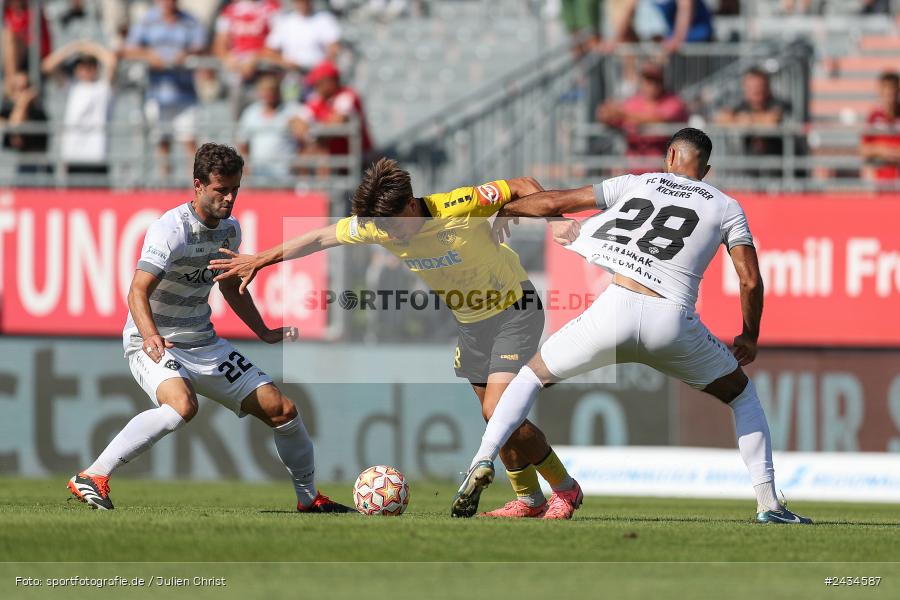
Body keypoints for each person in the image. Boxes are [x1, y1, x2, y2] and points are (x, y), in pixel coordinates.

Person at [452, 128, 813, 525]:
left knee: (529, 378)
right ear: (706, 169)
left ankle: (482, 458)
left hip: (614, 311)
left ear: (670, 155)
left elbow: (556, 201)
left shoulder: (636, 183)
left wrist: (505, 211)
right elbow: (750, 280)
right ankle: (769, 506)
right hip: (672, 321)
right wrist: (750, 334)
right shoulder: (727, 206)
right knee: (742, 396)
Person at [210, 159, 584, 519]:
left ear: (410, 204)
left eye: (392, 226)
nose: (387, 235)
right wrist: (261, 258)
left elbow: (523, 186)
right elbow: (321, 236)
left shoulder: (457, 204)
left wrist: (552, 219)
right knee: (499, 418)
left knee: (498, 411)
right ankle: (529, 499)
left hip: (515, 309)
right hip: (471, 323)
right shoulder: (379, 224)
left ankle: (565, 488)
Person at [67, 143, 351, 514]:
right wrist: (150, 335)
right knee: (182, 406)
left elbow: (230, 286)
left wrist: (262, 329)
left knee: (283, 409)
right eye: (221, 189)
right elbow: (137, 290)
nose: (230, 198)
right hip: (155, 341)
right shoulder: (170, 230)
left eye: (235, 189)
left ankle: (308, 498)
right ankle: (94, 475)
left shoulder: (230, 231)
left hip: (204, 343)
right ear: (198, 186)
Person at [122, 0, 207, 179]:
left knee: (190, 142)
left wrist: (186, 54)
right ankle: (165, 182)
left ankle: (194, 187)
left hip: (185, 94)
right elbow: (129, 49)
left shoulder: (190, 21)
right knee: (162, 143)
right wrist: (149, 56)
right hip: (157, 93)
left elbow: (202, 47)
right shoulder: (148, 20)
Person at [41, 40, 117, 178]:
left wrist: (91, 48)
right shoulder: (71, 88)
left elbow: (111, 61)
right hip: (73, 156)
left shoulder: (103, 89)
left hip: (97, 156)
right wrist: (74, 48)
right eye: (82, 65)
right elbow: (48, 65)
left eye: (91, 65)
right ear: (76, 69)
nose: (86, 69)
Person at [597, 62, 688, 170]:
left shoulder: (673, 101)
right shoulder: (633, 101)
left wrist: (624, 115)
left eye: (656, 80)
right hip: (634, 172)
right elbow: (606, 116)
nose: (651, 85)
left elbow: (660, 119)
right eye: (648, 80)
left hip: (663, 173)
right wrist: (607, 112)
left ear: (662, 81)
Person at [296, 61, 373, 165]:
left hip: (359, 161)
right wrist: (310, 140)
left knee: (320, 153)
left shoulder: (347, 95)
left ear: (331, 81)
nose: (315, 87)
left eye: (318, 83)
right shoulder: (319, 99)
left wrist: (314, 137)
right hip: (335, 160)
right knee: (307, 155)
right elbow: (297, 122)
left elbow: (337, 121)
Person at [213, 0, 281, 113]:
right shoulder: (230, 9)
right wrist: (227, 58)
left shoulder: (272, 7)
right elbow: (219, 44)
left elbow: (277, 43)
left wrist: (255, 59)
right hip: (236, 77)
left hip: (264, 76)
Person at [237, 74, 306, 179]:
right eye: (265, 90)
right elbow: (242, 143)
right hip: (258, 175)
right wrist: (246, 168)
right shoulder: (251, 113)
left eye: (272, 90)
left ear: (278, 92)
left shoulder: (292, 110)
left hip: (285, 175)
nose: (269, 94)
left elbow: (304, 138)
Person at [715, 68, 792, 163]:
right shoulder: (741, 106)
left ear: (767, 87)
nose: (755, 91)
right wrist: (741, 120)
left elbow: (772, 120)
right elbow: (721, 118)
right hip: (749, 167)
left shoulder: (779, 103)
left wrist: (747, 120)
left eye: (759, 86)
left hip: (778, 166)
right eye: (750, 87)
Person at [264, 0, 341, 75]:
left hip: (317, 71)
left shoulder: (324, 19)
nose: (303, 4)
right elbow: (269, 50)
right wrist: (283, 62)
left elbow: (334, 48)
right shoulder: (285, 22)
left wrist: (323, 67)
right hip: (291, 72)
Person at [612, 0, 713, 54]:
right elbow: (628, 10)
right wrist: (615, 40)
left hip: (697, 32)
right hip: (673, 34)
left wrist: (677, 39)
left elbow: (685, 8)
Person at [0, 72, 50, 175]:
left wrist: (23, 105)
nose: (23, 93)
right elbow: (14, 132)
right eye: (18, 88)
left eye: (25, 88)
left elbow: (17, 139)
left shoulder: (37, 112)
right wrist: (21, 105)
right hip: (8, 169)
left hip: (31, 170)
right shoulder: (5, 110)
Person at [860, 71, 900, 183]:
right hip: (882, 183)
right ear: (880, 91)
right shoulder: (874, 117)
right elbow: (863, 150)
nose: (890, 95)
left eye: (893, 90)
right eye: (886, 90)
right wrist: (881, 150)